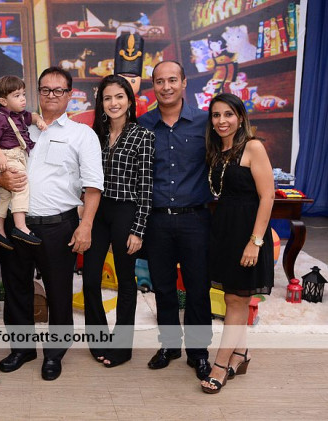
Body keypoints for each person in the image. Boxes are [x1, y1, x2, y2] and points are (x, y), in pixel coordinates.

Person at [0, 66, 104, 381]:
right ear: (37, 92)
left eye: (58, 90)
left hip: (59, 226)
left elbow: (93, 186)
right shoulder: (16, 124)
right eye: (45, 89)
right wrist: (0, 177)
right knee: (16, 289)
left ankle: (55, 354)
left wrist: (86, 226)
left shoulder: (82, 134)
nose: (51, 95)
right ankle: (22, 349)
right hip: (16, 224)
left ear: (69, 94)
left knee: (58, 292)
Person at [138, 60, 213, 381]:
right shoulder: (142, 124)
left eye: (172, 80)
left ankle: (198, 353)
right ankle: (169, 346)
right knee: (164, 288)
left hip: (196, 219)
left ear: (184, 83)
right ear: (153, 86)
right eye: (159, 81)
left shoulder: (206, 122)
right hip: (157, 222)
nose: (166, 87)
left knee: (198, 289)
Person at [200, 93, 274, 393]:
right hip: (224, 231)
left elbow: (267, 196)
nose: (222, 121)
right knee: (233, 298)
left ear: (240, 117)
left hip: (247, 233)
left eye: (228, 114)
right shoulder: (218, 150)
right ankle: (241, 354)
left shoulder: (253, 147)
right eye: (216, 115)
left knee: (236, 300)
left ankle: (220, 365)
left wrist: (255, 242)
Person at [83, 75, 154, 367]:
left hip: (126, 211)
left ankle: (122, 347)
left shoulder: (143, 136)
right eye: (108, 98)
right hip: (97, 211)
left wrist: (138, 229)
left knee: (125, 280)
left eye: (119, 97)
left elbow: (146, 187)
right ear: (101, 102)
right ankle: (98, 339)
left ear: (129, 100)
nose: (113, 103)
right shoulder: (94, 135)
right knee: (90, 278)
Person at [0, 75, 47, 248]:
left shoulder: (20, 115)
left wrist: (39, 120)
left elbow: (33, 116)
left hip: (18, 156)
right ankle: (20, 226)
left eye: (23, 94)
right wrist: (0, 156)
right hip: (8, 156)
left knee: (5, 193)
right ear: (3, 101)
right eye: (17, 95)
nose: (23, 99)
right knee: (21, 185)